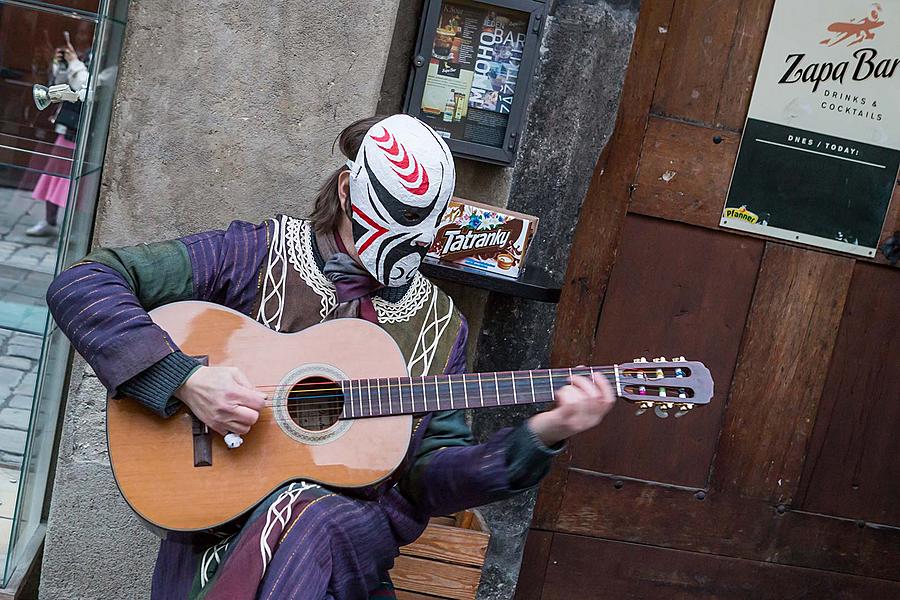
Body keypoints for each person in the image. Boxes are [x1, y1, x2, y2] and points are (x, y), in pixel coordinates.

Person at [46, 114, 616, 599]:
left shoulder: (440, 326)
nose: (406, 249)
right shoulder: (261, 254)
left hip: (346, 536)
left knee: (306, 511)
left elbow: (430, 481)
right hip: (219, 522)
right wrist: (184, 380)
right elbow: (85, 283)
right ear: (347, 191)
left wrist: (540, 434)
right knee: (291, 510)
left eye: (420, 235)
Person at [27, 36, 89, 237]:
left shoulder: (105, 60)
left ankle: (75, 230)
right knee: (53, 175)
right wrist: (62, 65)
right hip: (69, 125)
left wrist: (74, 63)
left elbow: (86, 88)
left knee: (78, 183)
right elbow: (61, 85)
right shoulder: (85, 56)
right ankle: (50, 221)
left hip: (86, 131)